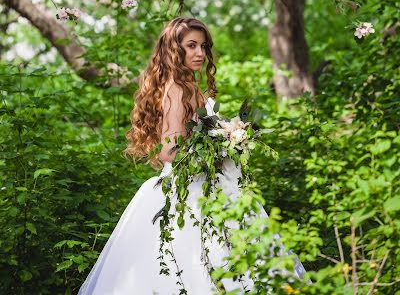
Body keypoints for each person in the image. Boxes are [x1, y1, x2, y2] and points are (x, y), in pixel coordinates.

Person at [78, 17, 306, 294]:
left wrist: (229, 136)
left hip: (209, 184)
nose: (200, 53)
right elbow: (169, 151)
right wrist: (222, 146)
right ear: (175, 50)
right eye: (192, 46)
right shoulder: (177, 90)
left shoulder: (188, 86)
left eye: (204, 46)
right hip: (191, 189)